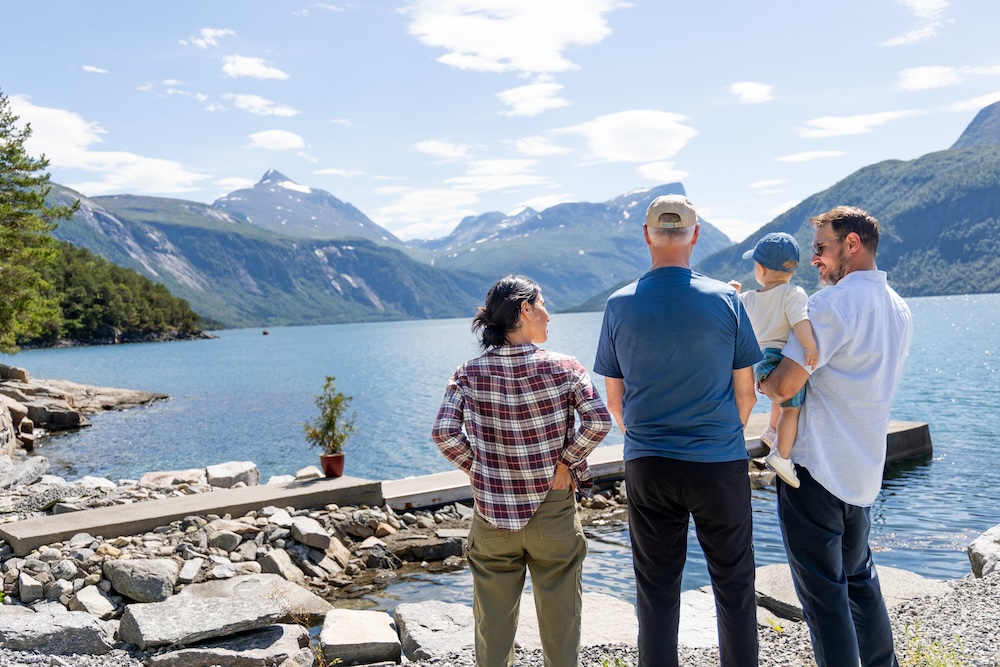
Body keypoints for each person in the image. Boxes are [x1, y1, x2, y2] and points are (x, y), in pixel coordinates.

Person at [594, 195, 761, 667]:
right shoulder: (727, 299)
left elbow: (614, 400)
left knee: (656, 587)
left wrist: (644, 437)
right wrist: (722, 435)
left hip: (648, 464)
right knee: (733, 584)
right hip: (718, 463)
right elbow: (746, 393)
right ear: (696, 234)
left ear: (646, 235)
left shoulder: (618, 304)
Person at [432, 274, 612, 667]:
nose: (549, 314)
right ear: (525, 309)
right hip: (553, 509)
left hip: (492, 514)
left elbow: (444, 434)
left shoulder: (467, 372)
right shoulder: (565, 367)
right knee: (561, 620)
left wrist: (480, 471)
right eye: (543, 303)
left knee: (492, 625)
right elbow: (599, 420)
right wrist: (566, 461)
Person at [759, 206, 912, 667]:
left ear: (851, 244)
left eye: (822, 248)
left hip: (815, 467)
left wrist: (759, 378)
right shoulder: (899, 307)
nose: (814, 259)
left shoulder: (829, 306)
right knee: (860, 582)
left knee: (824, 599)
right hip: (863, 470)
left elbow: (784, 385)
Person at [729, 232, 818, 488]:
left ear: (760, 268)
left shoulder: (748, 298)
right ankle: (782, 455)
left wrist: (735, 291)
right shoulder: (793, 294)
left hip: (760, 362)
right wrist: (809, 346)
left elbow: (733, 310)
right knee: (791, 409)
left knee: (778, 400)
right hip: (780, 357)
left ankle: (771, 431)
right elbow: (801, 322)